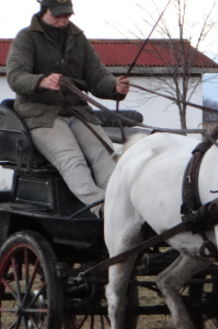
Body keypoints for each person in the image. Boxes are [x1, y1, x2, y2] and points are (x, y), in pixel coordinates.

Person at [6, 0, 130, 217]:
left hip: (77, 111)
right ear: (45, 10)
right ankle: (101, 207)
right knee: (72, 159)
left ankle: (121, 204)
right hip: (40, 114)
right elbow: (15, 76)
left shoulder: (78, 39)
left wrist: (114, 86)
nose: (63, 21)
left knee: (106, 154)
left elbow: (96, 75)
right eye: (58, 16)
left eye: (67, 16)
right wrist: (41, 81)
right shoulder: (26, 37)